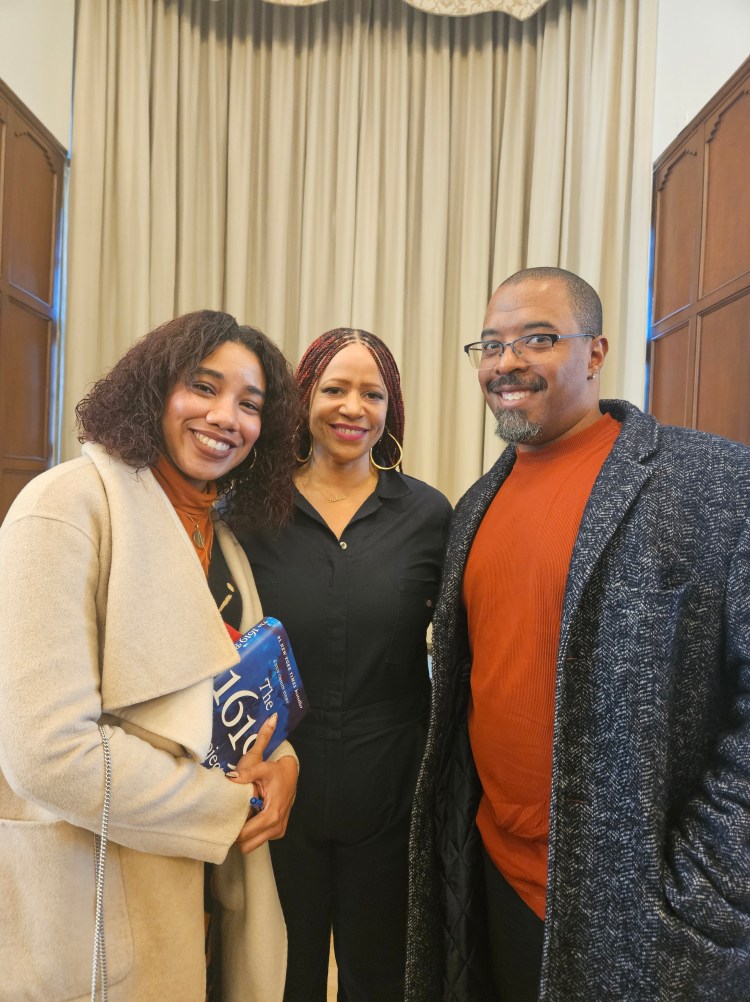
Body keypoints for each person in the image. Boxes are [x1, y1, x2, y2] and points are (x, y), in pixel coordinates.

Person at [405, 268, 750, 1002]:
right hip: (493, 871)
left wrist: (708, 885)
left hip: (636, 907)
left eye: (536, 339)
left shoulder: (713, 483)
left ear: (595, 352)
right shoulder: (472, 507)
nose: (505, 363)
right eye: (490, 345)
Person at [0, 310, 303, 1002]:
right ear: (153, 390)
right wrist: (224, 805)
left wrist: (282, 765)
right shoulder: (65, 506)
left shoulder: (219, 540)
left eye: (250, 405)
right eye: (204, 387)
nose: (227, 417)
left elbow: (251, 691)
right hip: (97, 903)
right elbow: (47, 751)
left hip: (207, 893)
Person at [241, 327, 452, 1001]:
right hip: (273, 783)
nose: (352, 407)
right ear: (304, 399)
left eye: (373, 393)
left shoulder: (428, 515)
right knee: (280, 975)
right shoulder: (250, 509)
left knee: (380, 976)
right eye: (335, 389)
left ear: (391, 411)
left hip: (389, 790)